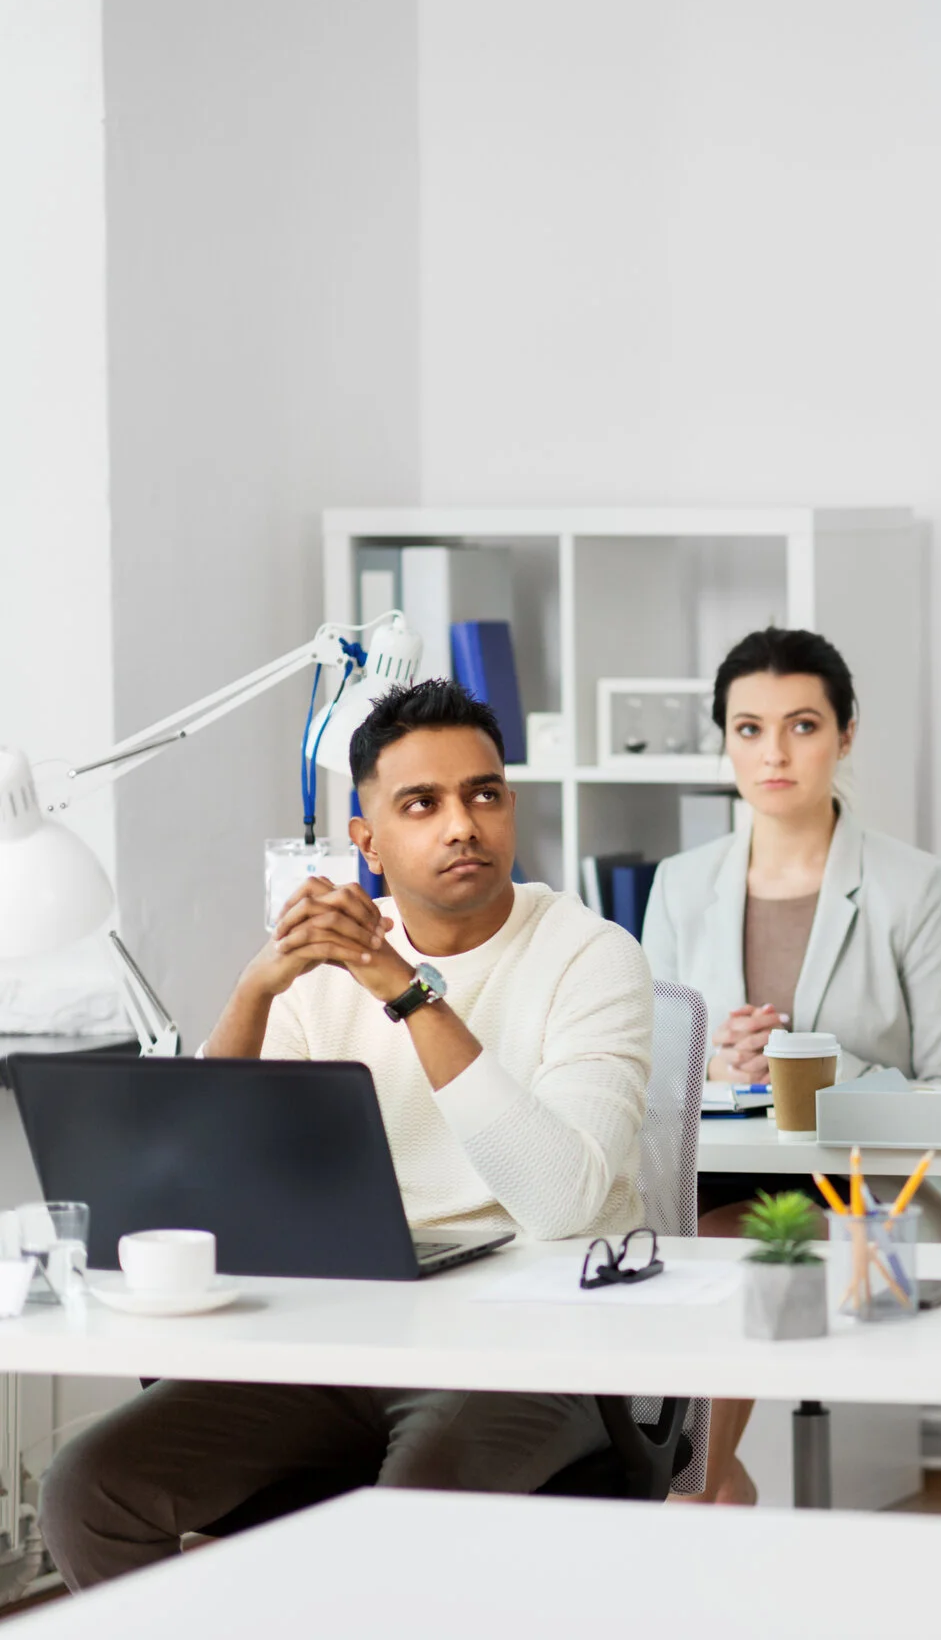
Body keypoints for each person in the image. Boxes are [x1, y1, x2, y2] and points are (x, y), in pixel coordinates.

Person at [39, 680, 653, 1590]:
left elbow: (561, 1203)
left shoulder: (591, 955)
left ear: (511, 806)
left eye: (484, 794)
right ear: (366, 840)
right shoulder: (325, 972)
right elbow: (200, 1172)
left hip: (526, 1345)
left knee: (406, 1520)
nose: (462, 825)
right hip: (336, 1342)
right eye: (423, 803)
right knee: (88, 1489)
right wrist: (256, 989)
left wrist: (406, 991)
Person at [640, 625, 941, 1504]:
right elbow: (649, 1079)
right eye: (748, 728)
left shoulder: (913, 887)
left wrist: (829, 1078)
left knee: (733, 1247)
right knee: (680, 1244)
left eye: (802, 725)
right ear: (724, 740)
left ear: (846, 734)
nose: (774, 752)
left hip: (872, 1207)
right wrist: (714, 1064)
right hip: (718, 1188)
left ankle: (698, 1486)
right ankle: (710, 1486)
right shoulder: (682, 885)